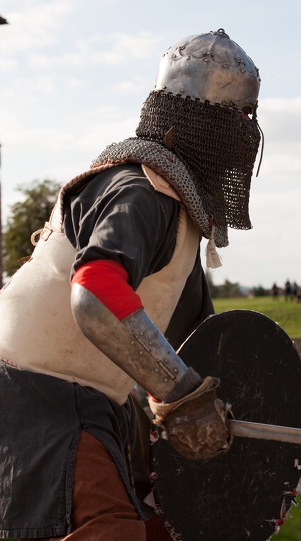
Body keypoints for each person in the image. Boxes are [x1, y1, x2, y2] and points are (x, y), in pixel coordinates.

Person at [0, 28, 262, 540]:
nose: (245, 133)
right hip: (35, 395)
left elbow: (192, 349)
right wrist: (185, 398)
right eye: (239, 118)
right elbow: (97, 292)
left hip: (90, 401)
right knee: (110, 532)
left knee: (159, 527)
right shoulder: (140, 190)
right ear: (202, 122)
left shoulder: (178, 215)